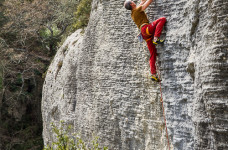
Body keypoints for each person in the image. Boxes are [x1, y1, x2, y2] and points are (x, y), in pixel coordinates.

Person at [124, 0, 166, 82]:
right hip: (146, 29)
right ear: (132, 4)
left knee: (153, 53)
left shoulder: (133, 13)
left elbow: (140, 5)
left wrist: (142, 1)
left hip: (144, 34)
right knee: (162, 19)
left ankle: (153, 74)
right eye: (132, 1)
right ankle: (156, 38)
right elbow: (147, 3)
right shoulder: (137, 10)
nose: (134, 1)